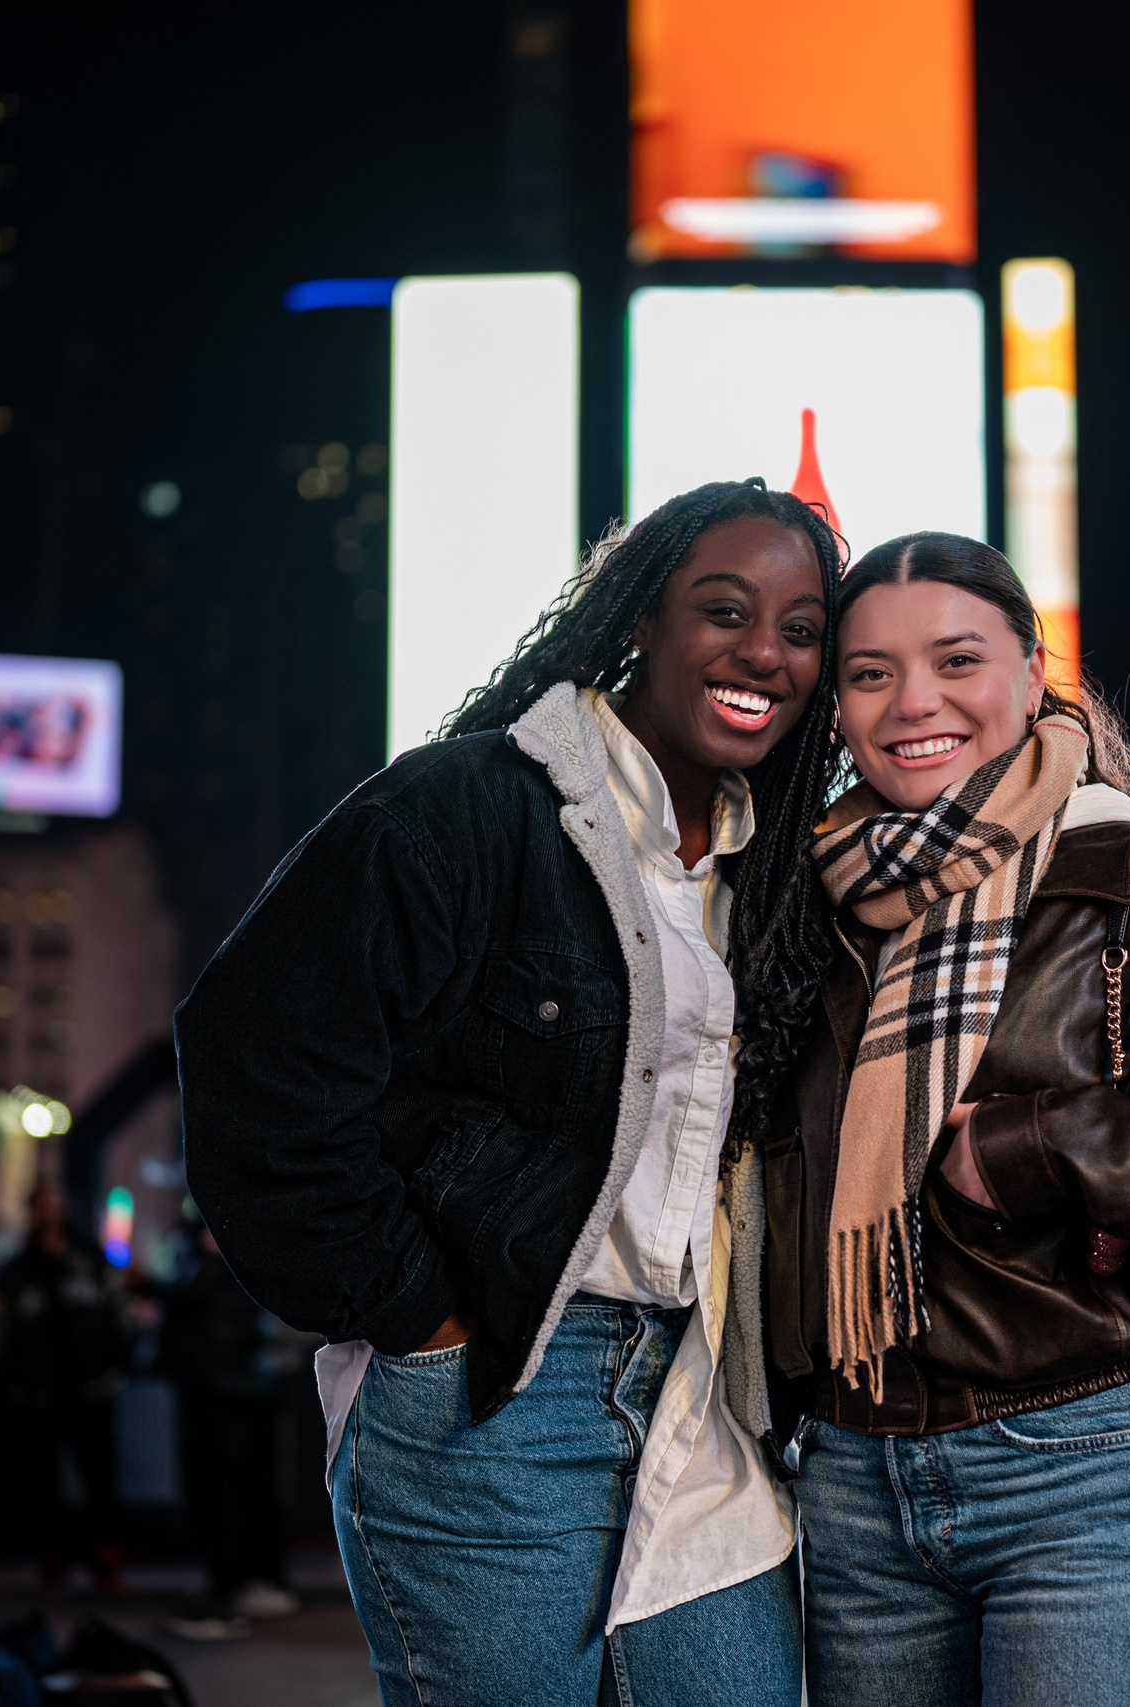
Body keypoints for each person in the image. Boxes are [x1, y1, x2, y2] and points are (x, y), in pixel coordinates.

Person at [177, 480, 846, 1706]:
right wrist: (417, 1319)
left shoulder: (778, 878)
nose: (764, 652)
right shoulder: (464, 807)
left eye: (801, 631)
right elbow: (253, 1059)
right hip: (496, 1395)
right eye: (725, 610)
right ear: (641, 617)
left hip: (701, 1407)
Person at [767, 533, 1130, 1707]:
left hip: (1092, 1466)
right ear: (834, 705)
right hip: (848, 1480)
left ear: (1031, 677)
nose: (912, 703)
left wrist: (1041, 1148)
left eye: (956, 660)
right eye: (870, 672)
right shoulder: (809, 908)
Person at [157, 1218, 297, 1640]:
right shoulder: (257, 1254)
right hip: (243, 1391)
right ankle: (253, 1582)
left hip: (220, 1392)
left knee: (220, 1494)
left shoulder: (216, 1262)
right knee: (246, 1490)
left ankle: (227, 1596)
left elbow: (187, 1304)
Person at [0, 1180, 130, 1590]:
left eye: (55, 1204)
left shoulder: (90, 1262)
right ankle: (51, 1559)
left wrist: (113, 1367)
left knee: (99, 1478)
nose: (49, 1213)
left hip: (92, 1390)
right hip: (39, 1395)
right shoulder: (15, 1271)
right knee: (41, 1481)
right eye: (41, 1205)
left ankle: (105, 1558)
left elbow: (120, 1317)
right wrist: (17, 1378)